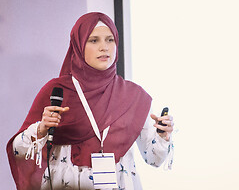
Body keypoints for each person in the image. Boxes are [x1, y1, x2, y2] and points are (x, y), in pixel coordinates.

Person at [6, 12, 174, 190]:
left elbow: (154, 159)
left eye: (110, 40)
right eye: (94, 40)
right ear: (78, 45)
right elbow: (18, 152)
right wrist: (41, 129)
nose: (105, 47)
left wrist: (163, 136)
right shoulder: (57, 91)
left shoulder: (134, 96)